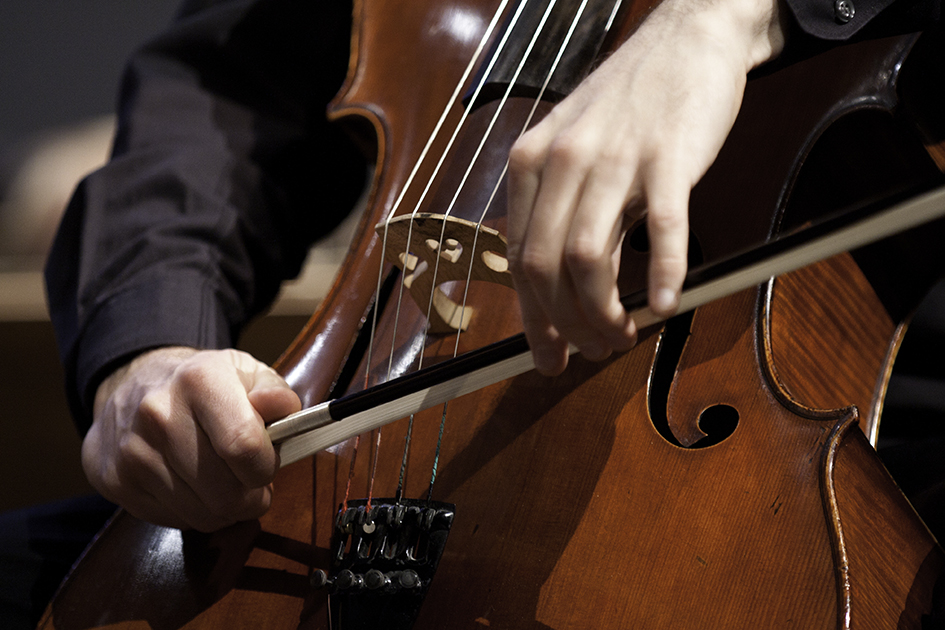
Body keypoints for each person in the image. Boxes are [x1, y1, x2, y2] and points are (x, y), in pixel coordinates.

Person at [46, 0, 940, 537]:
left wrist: (713, 17)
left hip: (862, 431)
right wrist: (150, 350)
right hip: (376, 438)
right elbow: (231, 92)